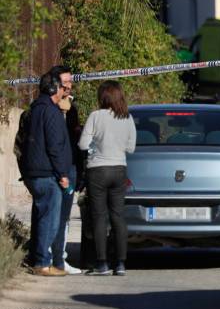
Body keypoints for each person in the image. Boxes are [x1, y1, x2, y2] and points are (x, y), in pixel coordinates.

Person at [79, 81, 136, 276]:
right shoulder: (127, 118)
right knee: (118, 216)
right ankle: (120, 264)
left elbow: (82, 144)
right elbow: (131, 147)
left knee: (99, 216)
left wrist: (97, 144)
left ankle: (102, 263)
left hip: (97, 170)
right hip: (119, 169)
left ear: (103, 97)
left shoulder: (95, 116)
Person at [20, 72, 72, 276]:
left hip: (34, 172)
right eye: (61, 87)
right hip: (47, 173)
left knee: (42, 217)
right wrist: (63, 174)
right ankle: (42, 262)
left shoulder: (35, 109)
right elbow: (54, 146)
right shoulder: (50, 112)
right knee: (49, 220)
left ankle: (38, 258)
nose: (63, 90)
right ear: (53, 89)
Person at [48, 66, 82, 275]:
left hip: (70, 167)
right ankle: (47, 257)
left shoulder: (72, 108)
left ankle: (60, 257)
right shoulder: (48, 109)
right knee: (50, 214)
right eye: (65, 82)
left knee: (64, 216)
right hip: (54, 168)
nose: (69, 86)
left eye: (70, 82)